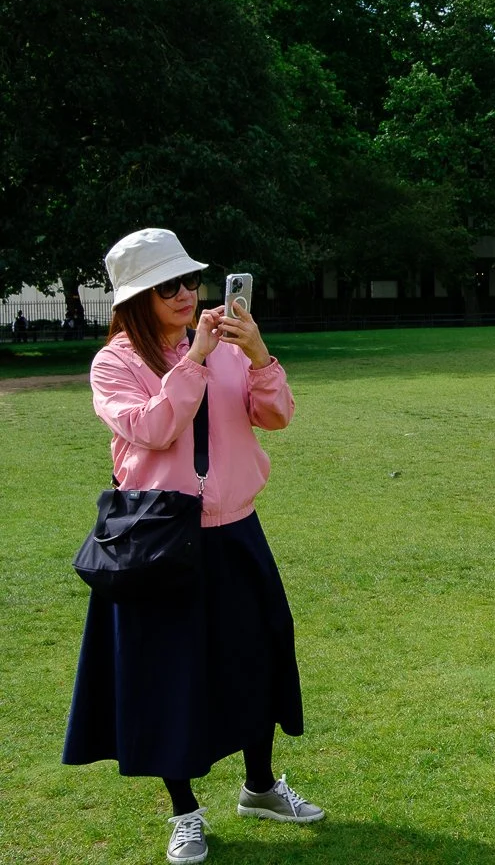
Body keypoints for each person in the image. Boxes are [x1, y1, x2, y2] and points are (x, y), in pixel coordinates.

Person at [63, 228, 323, 865]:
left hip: (235, 529)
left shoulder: (228, 345)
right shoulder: (115, 362)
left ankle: (260, 786)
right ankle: (185, 812)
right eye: (167, 287)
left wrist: (258, 353)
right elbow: (152, 428)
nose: (186, 294)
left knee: (255, 657)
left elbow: (277, 415)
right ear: (137, 299)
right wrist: (195, 360)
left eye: (189, 281)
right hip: (157, 540)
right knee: (167, 676)